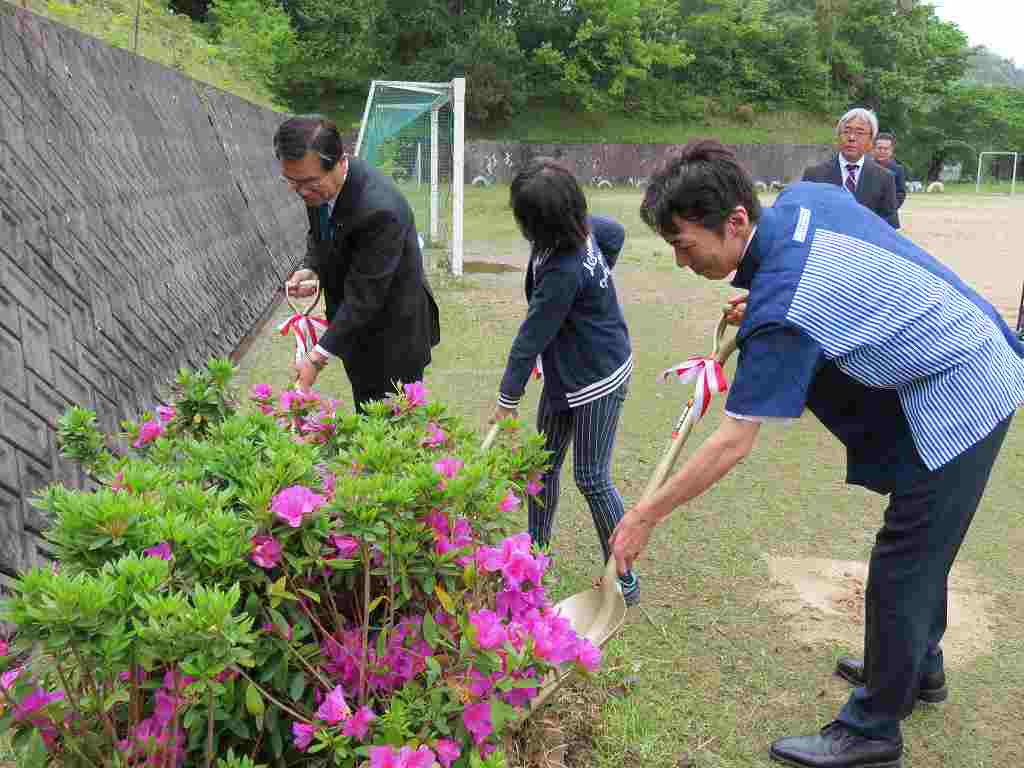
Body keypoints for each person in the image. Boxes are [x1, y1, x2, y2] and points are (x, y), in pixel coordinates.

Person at [610, 140, 1024, 767]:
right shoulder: (806, 199)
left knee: (905, 559)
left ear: (736, 221)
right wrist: (768, 295)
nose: (679, 260)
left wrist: (644, 515)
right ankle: (917, 668)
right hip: (961, 347)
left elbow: (732, 442)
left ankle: (874, 729)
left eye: (685, 244)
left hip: (967, 383)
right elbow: (845, 268)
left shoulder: (785, 302)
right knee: (923, 545)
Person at [490, 157, 639, 605]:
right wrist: (594, 289)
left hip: (598, 377)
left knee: (592, 478)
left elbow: (530, 336)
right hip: (563, 373)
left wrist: (507, 398)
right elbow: (614, 233)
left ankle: (624, 578)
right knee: (542, 467)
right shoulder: (582, 228)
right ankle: (536, 558)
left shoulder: (563, 269)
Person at [274, 115, 440, 412]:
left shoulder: (380, 210)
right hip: (356, 333)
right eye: (292, 182)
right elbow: (322, 234)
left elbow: (366, 296)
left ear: (339, 162)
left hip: (393, 338)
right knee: (366, 413)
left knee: (391, 437)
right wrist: (312, 266)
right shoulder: (318, 189)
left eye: (309, 182)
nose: (301, 191)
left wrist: (316, 357)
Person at [803, 108, 899, 228]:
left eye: (860, 132)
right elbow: (804, 220)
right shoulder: (814, 175)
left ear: (871, 141)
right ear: (838, 137)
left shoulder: (885, 178)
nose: (852, 137)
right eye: (846, 131)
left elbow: (890, 226)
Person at [873, 132, 907, 226]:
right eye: (879, 148)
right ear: (873, 149)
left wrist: (890, 208)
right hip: (868, 217)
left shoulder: (898, 169)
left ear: (891, 150)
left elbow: (901, 193)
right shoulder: (865, 166)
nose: (882, 151)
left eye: (886, 149)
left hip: (889, 220)